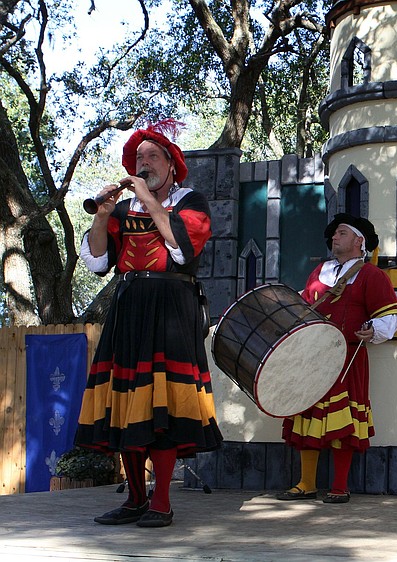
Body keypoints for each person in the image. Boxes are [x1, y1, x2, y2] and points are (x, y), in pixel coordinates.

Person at [75, 120, 223, 528]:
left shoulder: (192, 202)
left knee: (164, 408)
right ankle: (134, 500)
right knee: (126, 405)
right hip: (128, 308)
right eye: (138, 158)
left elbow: (181, 250)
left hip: (171, 308)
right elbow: (100, 263)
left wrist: (147, 199)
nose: (144, 163)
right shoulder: (123, 209)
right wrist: (103, 217)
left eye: (152, 156)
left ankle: (161, 502)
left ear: (172, 164)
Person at [277, 213, 397, 504]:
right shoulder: (319, 272)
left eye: (342, 233)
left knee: (341, 422)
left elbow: (390, 314)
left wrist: (373, 331)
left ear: (359, 241)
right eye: (334, 234)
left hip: (347, 358)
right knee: (308, 417)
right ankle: (306, 483)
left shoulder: (372, 276)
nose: (334, 237)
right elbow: (304, 307)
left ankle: (339, 486)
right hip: (312, 357)